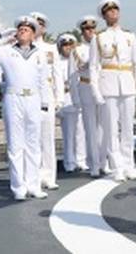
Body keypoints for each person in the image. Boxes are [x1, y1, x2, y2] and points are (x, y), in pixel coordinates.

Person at [0, 16, 49, 200]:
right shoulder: (5, 51)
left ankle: (34, 185)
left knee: (33, 145)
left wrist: (44, 106)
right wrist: (0, 35)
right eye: (21, 29)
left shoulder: (40, 54)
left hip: (33, 98)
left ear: (34, 34)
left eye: (28, 29)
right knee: (15, 145)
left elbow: (43, 82)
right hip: (13, 97)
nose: (23, 31)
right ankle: (19, 188)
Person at [89, 0, 136, 182]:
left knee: (128, 128)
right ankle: (117, 167)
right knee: (111, 129)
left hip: (127, 84)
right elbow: (94, 66)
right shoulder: (98, 38)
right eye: (109, 11)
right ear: (104, 16)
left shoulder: (129, 36)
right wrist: (96, 91)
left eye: (115, 10)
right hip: (108, 85)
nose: (113, 13)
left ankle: (129, 165)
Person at [30, 12, 63, 190]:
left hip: (47, 94)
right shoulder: (24, 48)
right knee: (32, 138)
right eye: (34, 25)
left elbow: (57, 74)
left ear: (43, 28)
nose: (38, 28)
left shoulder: (50, 49)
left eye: (40, 25)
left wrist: (59, 98)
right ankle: (34, 175)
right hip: (30, 95)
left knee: (47, 138)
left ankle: (49, 176)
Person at [72, 15, 106, 177]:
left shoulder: (102, 45)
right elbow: (76, 71)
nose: (90, 31)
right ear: (82, 32)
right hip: (86, 86)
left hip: (103, 87)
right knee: (91, 128)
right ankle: (94, 165)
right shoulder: (78, 50)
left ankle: (104, 162)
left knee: (105, 127)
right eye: (86, 29)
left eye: (92, 28)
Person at [56, 34, 87, 172]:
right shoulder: (57, 62)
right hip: (66, 99)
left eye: (70, 45)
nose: (68, 48)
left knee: (81, 132)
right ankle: (69, 162)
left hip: (79, 98)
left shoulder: (78, 61)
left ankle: (81, 160)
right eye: (65, 45)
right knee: (69, 133)